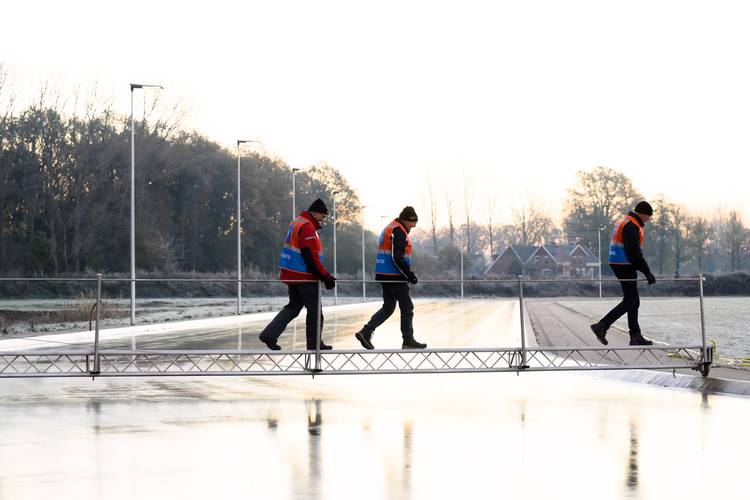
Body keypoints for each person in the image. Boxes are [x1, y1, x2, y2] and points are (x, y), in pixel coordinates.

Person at [259, 198, 336, 351]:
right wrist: (325, 276)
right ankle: (314, 345)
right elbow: (310, 256)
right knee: (315, 312)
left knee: (293, 307)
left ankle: (269, 334)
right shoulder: (307, 227)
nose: (323, 219)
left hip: (292, 274)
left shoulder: (296, 223)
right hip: (304, 276)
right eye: (322, 216)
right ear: (315, 213)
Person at [354, 206, 427, 350]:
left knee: (388, 308)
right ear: (407, 220)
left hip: (385, 274)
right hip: (394, 276)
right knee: (407, 307)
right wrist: (409, 275)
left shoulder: (391, 228)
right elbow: (397, 257)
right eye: (413, 223)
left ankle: (366, 331)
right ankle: (408, 340)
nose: (414, 226)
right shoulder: (398, 231)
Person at [591, 201, 657, 346]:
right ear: (643, 213)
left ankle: (635, 335)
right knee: (630, 300)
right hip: (623, 264)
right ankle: (602, 325)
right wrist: (647, 272)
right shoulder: (631, 226)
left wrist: (643, 270)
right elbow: (634, 253)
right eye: (648, 216)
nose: (648, 219)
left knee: (634, 300)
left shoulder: (626, 221)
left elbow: (633, 252)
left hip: (620, 263)